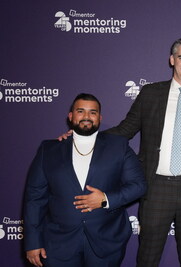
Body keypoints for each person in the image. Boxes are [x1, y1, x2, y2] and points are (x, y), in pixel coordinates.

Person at [106, 38, 181, 266]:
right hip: (156, 187)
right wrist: (85, 138)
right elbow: (126, 129)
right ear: (172, 60)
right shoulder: (151, 93)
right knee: (147, 257)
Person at [24, 93, 147, 267]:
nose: (87, 117)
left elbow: (139, 186)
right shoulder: (49, 150)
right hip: (58, 243)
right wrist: (32, 241)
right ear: (71, 116)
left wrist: (105, 199)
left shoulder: (118, 146)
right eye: (80, 111)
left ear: (100, 117)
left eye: (93, 112)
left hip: (106, 241)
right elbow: (35, 198)